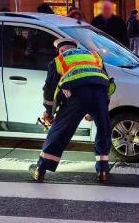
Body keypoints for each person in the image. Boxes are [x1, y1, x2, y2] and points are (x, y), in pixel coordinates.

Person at [29, 38, 115, 183]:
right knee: (103, 129)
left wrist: (49, 113)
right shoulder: (94, 56)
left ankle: (40, 170)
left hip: (77, 95)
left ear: (61, 50)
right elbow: (105, 81)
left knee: (60, 130)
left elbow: (49, 92)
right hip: (100, 93)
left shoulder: (58, 60)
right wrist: (95, 110)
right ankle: (103, 171)